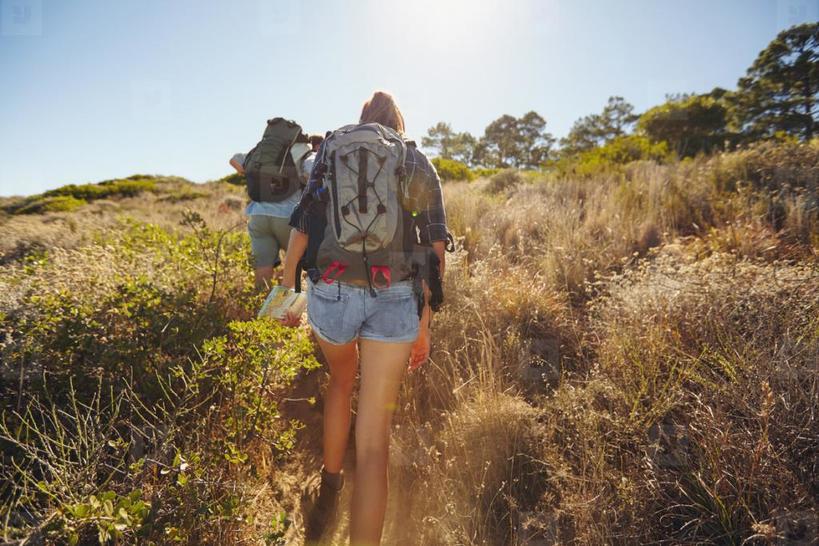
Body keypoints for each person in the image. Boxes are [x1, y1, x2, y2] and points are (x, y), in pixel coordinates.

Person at [280, 91, 448, 545]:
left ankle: (331, 484)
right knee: (374, 444)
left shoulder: (331, 152)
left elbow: (302, 223)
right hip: (396, 296)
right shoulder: (413, 159)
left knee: (340, 381)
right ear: (397, 124)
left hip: (332, 290)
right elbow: (434, 250)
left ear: (362, 121)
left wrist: (288, 287)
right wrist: (424, 322)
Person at [229, 132, 322, 289]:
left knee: (263, 266)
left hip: (258, 214)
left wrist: (254, 175)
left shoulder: (268, 154)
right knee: (296, 264)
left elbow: (234, 160)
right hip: (288, 217)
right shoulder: (307, 154)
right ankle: (288, 308)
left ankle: (260, 305)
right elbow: (315, 170)